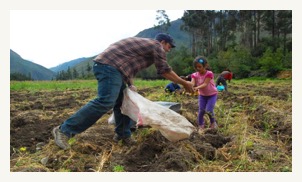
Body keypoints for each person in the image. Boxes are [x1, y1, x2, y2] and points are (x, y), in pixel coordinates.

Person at [52, 33, 194, 150]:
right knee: (105, 101)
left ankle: (123, 135)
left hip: (113, 68)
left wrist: (130, 84)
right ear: (163, 42)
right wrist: (184, 83)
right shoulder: (157, 46)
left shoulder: (146, 47)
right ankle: (64, 130)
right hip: (109, 67)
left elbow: (128, 65)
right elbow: (164, 70)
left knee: (123, 101)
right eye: (169, 46)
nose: (169, 50)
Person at [191, 56, 218, 134]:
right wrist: (190, 86)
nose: (198, 69)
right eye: (196, 67)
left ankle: (213, 123)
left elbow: (205, 84)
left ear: (205, 66)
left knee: (209, 110)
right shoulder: (194, 75)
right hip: (202, 95)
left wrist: (196, 88)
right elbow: (192, 83)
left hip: (212, 95)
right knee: (201, 111)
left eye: (200, 67)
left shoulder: (209, 74)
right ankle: (201, 126)